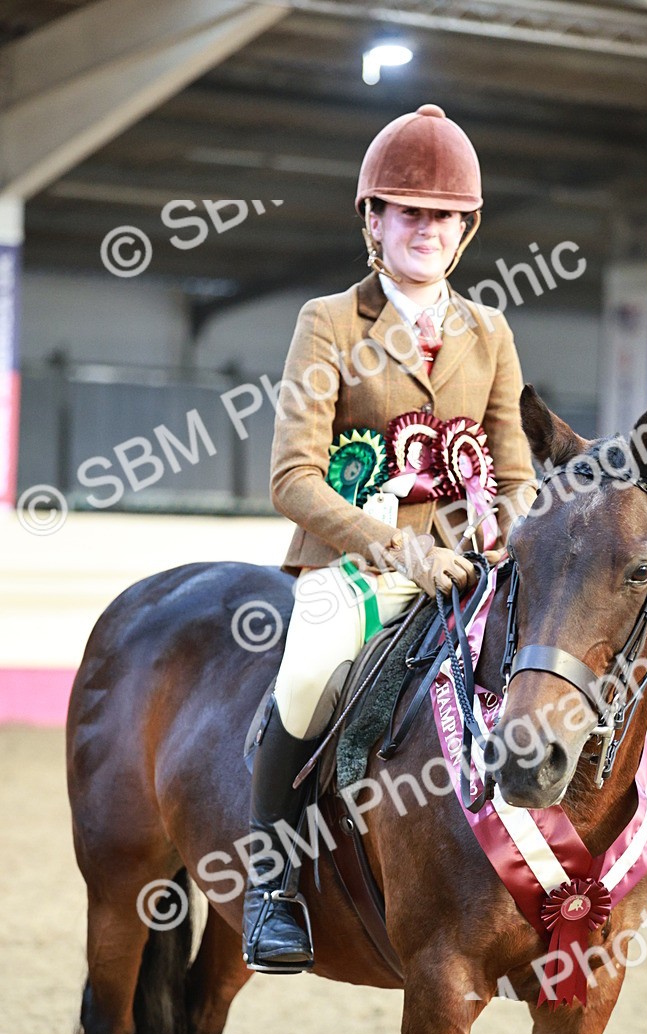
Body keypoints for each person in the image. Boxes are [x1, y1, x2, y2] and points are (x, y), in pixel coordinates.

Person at [243, 103, 537, 972]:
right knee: (306, 674)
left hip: (472, 567)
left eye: (443, 217)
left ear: (464, 231)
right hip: (358, 570)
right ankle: (272, 887)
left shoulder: (490, 331)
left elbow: (517, 472)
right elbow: (291, 478)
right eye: (408, 212)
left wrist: (501, 533)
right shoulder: (329, 322)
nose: (426, 230)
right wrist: (401, 550)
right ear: (373, 219)